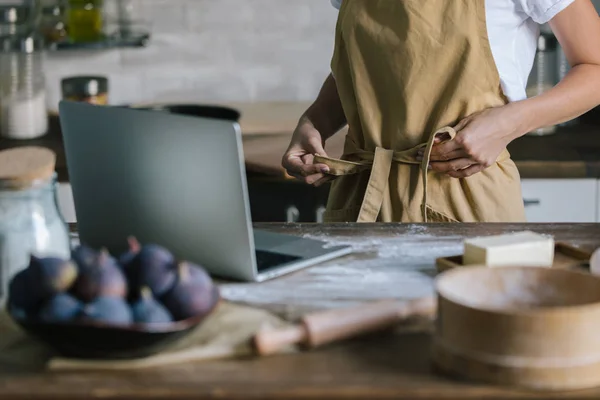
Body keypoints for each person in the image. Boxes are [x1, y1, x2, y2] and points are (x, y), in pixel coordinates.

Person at [281, 0, 600, 223]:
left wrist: (510, 122)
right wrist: (316, 121)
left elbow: (595, 68)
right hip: (362, 197)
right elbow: (363, 69)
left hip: (465, 201)